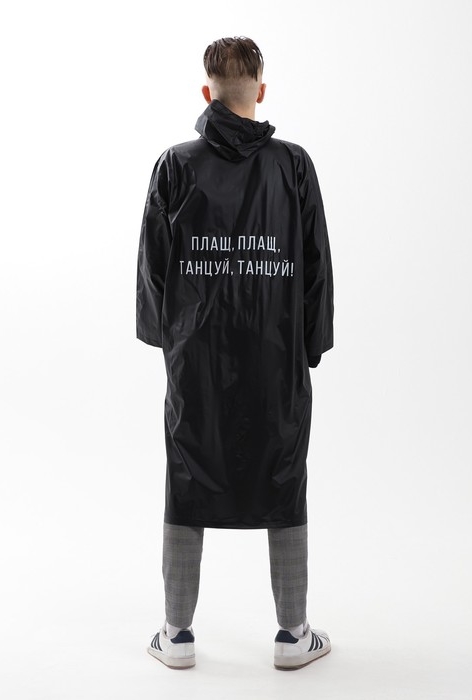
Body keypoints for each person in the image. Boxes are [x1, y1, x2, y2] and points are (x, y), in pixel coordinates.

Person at [136, 36, 334, 670]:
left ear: (207, 92)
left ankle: (177, 635)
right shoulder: (293, 166)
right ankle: (293, 635)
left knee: (187, 479)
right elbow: (316, 267)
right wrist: (309, 347)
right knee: (283, 480)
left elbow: (153, 271)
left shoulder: (174, 166)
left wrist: (169, 344)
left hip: (196, 365)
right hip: (276, 364)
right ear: (261, 92)